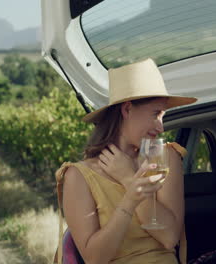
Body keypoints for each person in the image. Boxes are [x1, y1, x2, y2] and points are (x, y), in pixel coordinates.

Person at [55, 58, 197, 264]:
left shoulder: (166, 157)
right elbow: (95, 259)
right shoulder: (78, 176)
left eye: (163, 116)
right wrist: (130, 199)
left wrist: (129, 178)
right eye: (156, 114)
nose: (161, 127)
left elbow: (168, 238)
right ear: (127, 109)